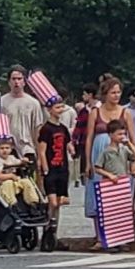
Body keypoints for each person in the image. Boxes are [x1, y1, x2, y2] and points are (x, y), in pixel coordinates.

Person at [37, 102, 75, 250]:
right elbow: (42, 150)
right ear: (49, 110)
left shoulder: (63, 128)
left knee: (59, 202)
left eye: (61, 107)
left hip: (62, 168)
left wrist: (71, 149)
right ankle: (47, 228)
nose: (60, 110)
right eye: (57, 108)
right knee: (52, 202)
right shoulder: (46, 129)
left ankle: (53, 233)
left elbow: (68, 144)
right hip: (51, 169)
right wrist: (45, 168)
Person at [0, 67, 46, 164]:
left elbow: (37, 129)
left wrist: (40, 155)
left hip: (28, 148)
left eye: (19, 79)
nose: (16, 82)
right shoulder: (1, 102)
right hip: (8, 149)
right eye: (14, 79)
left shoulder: (33, 103)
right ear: (9, 82)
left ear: (24, 82)